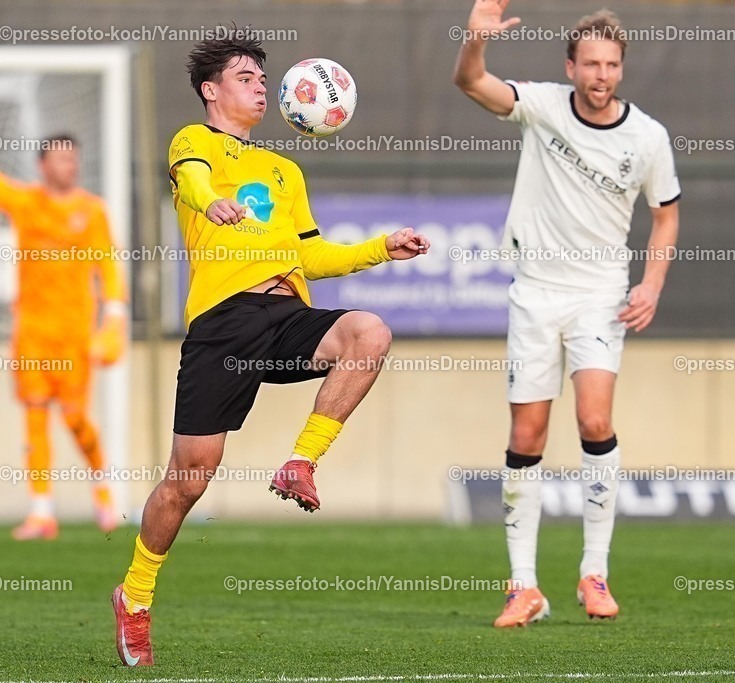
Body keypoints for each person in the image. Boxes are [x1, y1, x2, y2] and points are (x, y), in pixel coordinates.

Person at [111, 34, 430, 666]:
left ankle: (301, 464)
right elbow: (196, 183)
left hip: (285, 313)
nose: (260, 83)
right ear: (212, 89)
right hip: (223, 326)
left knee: (370, 332)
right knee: (188, 479)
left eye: (263, 75)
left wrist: (378, 248)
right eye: (245, 75)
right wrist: (212, 201)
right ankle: (136, 595)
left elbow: (311, 254)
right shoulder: (192, 142)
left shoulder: (286, 171)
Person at [453, 1, 681, 626]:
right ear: (570, 66)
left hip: (601, 295)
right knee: (526, 436)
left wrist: (651, 283)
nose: (600, 74)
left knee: (594, 417)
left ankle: (594, 573)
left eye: (611, 64)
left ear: (621, 70)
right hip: (535, 291)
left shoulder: (648, 137)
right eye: (590, 63)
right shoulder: (543, 106)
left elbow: (665, 213)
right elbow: (471, 82)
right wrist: (474, 42)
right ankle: (523, 586)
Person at [0, 73, 128, 540]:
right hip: (31, 329)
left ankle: (103, 491)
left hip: (74, 332)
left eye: (75, 159)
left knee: (75, 419)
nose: (70, 166)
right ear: (43, 164)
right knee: (34, 414)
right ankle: (41, 511)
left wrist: (113, 319)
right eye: (62, 159)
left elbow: (108, 266)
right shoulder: (26, 203)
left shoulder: (92, 212)